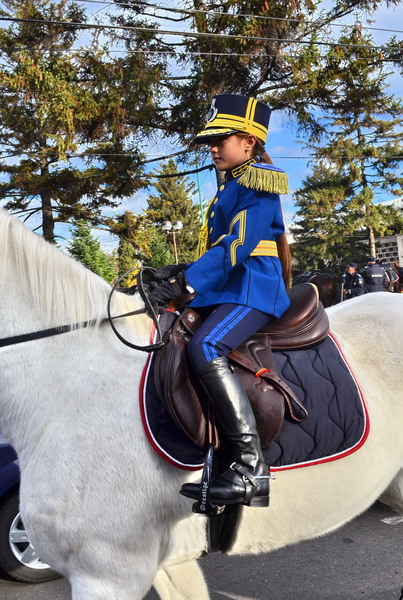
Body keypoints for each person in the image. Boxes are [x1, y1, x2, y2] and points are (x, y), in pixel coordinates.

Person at [149, 93, 291, 508]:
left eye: (220, 139)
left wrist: (188, 283)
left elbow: (239, 245)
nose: (212, 148)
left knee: (206, 346)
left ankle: (251, 469)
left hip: (253, 288)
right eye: (210, 141)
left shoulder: (258, 181)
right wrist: (179, 271)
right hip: (230, 287)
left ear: (248, 142)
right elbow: (219, 248)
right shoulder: (231, 186)